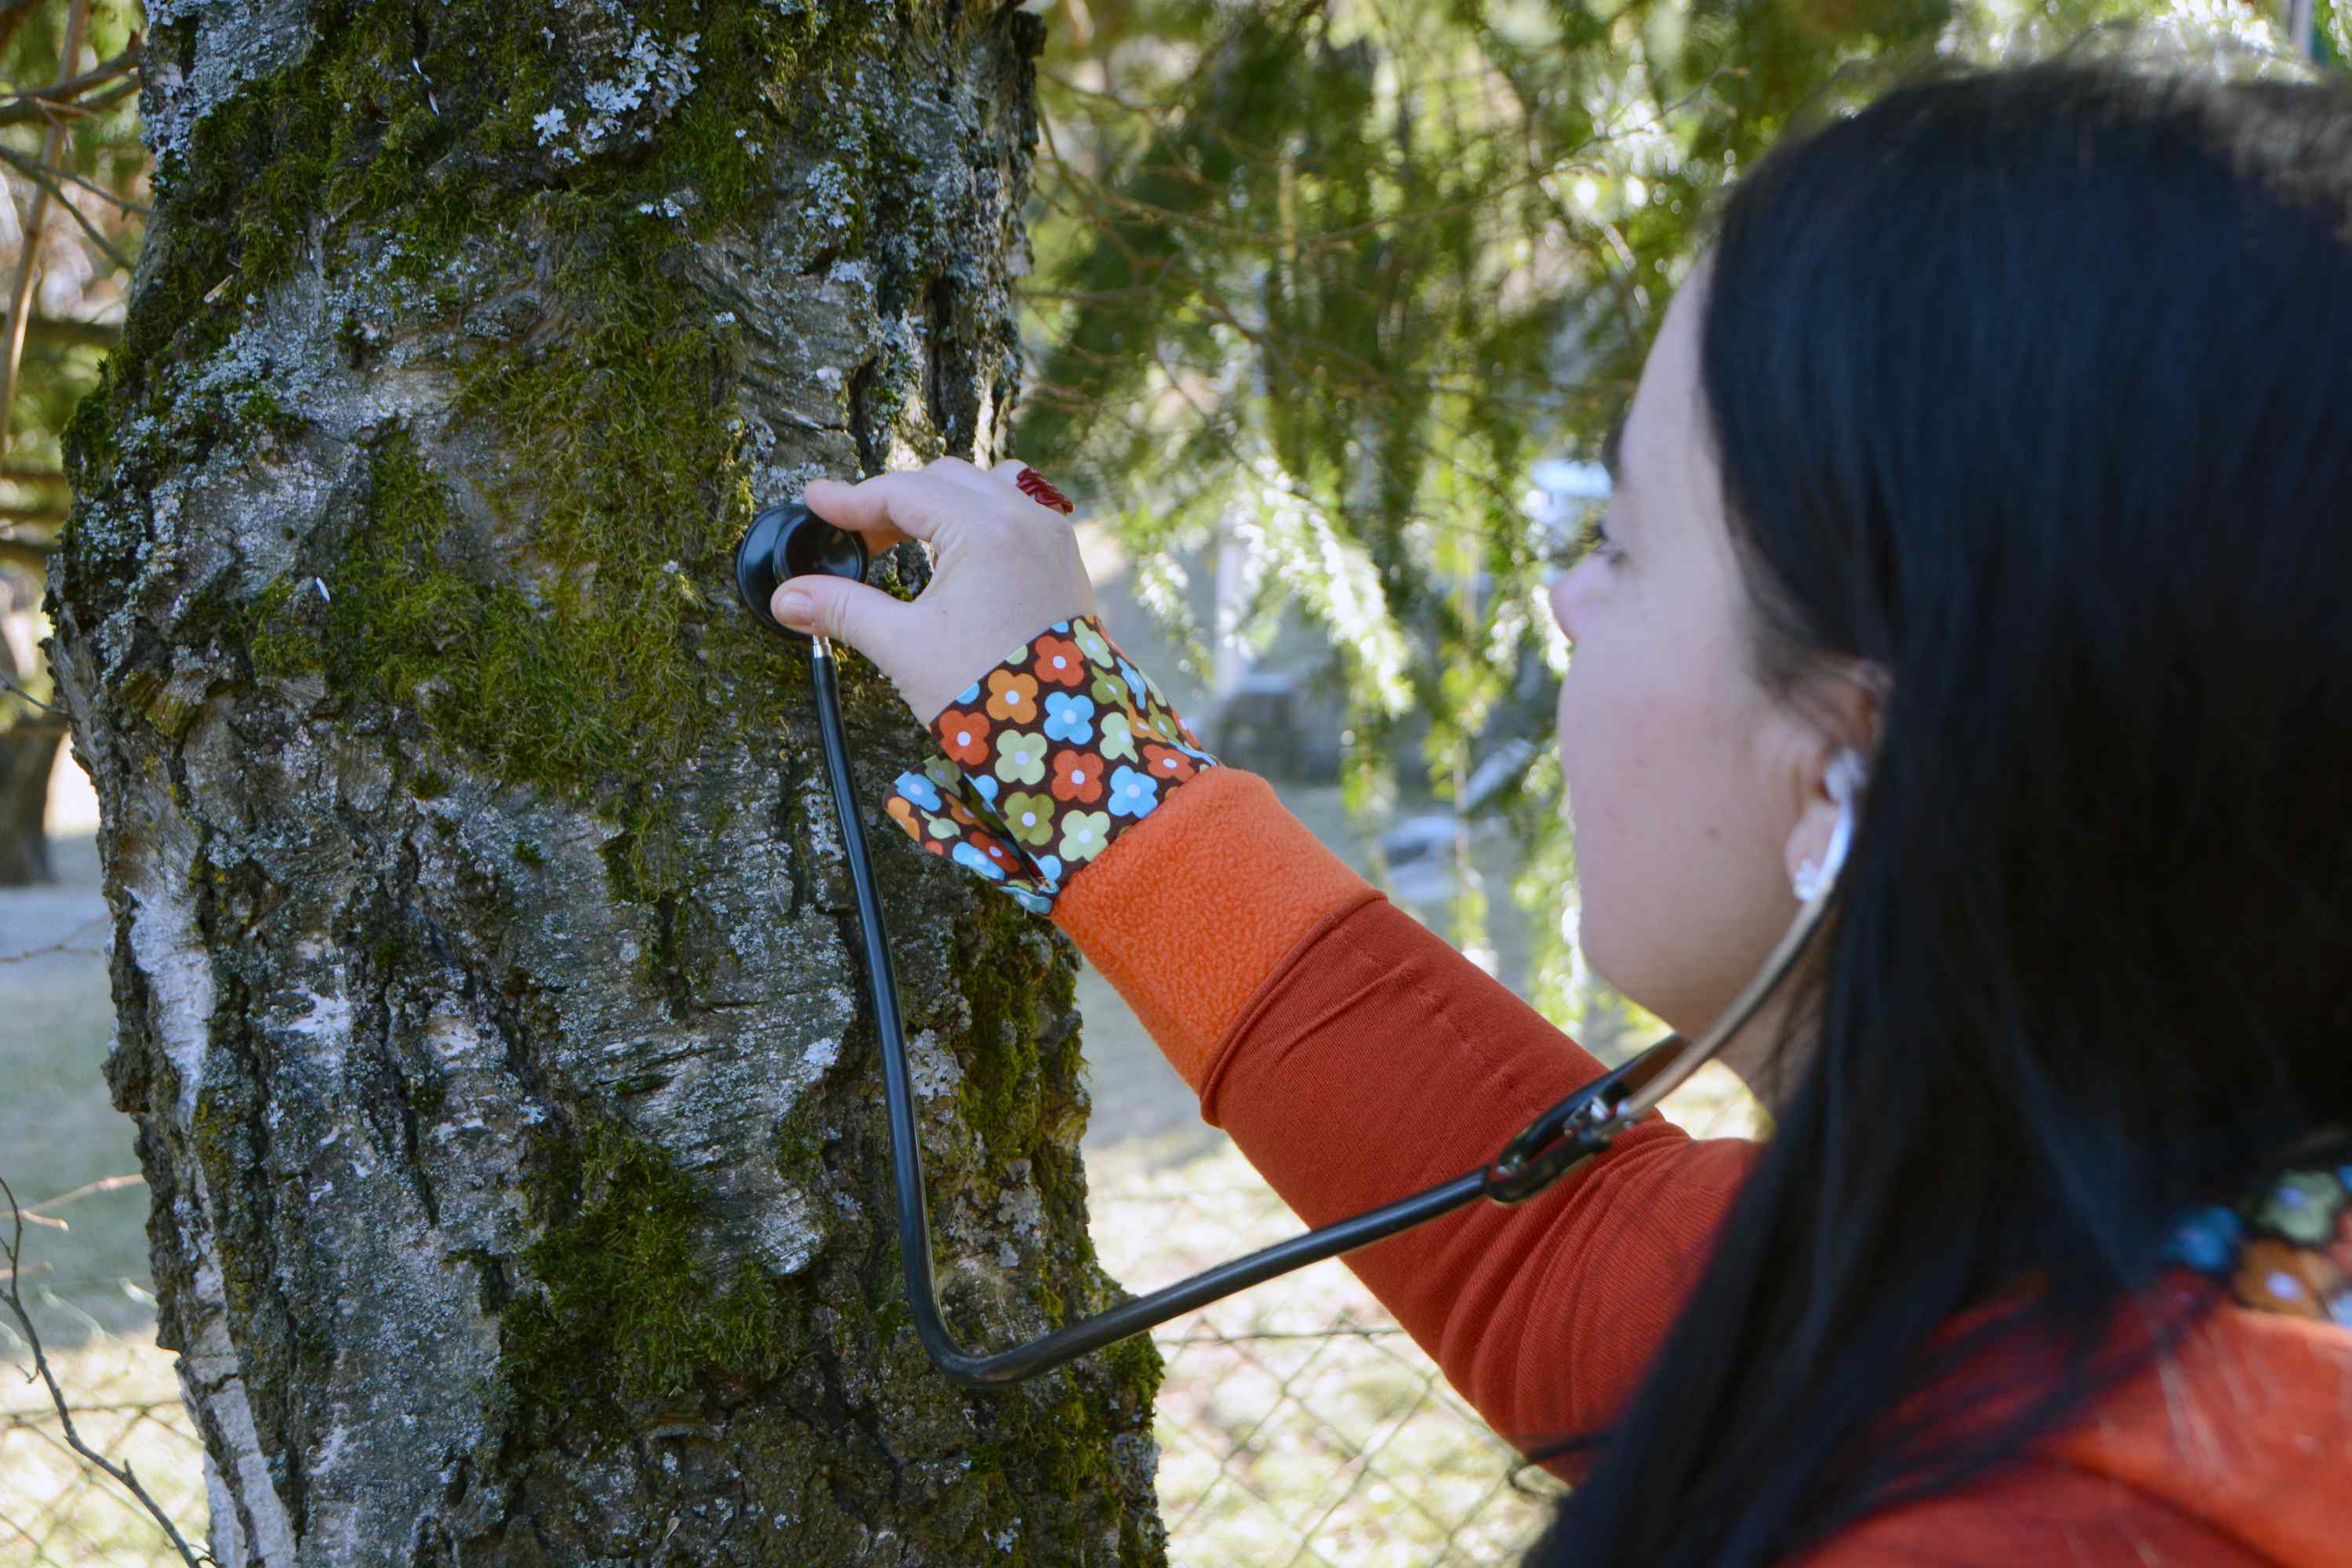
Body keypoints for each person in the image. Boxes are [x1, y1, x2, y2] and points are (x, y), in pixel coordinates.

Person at [766, 32, 2352, 1566]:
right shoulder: (2160, 1266)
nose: (1572, 599)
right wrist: (1066, 746)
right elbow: (1559, 1263)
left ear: (1856, 754)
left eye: (1629, 540)